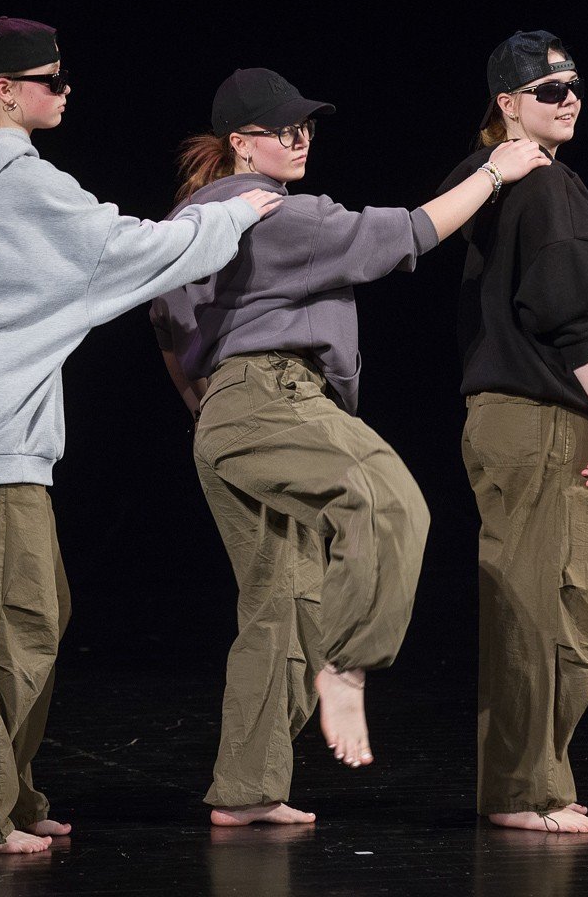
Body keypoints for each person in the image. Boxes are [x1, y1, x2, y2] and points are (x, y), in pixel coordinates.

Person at [0, 18, 281, 854]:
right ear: (5, 92)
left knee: (32, 616)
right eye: (52, 80)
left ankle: (8, 795)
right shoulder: (17, 178)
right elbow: (127, 251)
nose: (66, 91)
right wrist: (233, 216)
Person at [151, 67, 550, 827]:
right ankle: (348, 665)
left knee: (280, 603)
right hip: (276, 394)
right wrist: (495, 173)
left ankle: (247, 787)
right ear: (241, 145)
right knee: (390, 502)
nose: (301, 139)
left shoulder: (192, 219)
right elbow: (407, 234)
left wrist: (207, 409)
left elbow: (168, 327)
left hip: (227, 417)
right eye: (283, 130)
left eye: (306, 127)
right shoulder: (273, 211)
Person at [440, 30, 588, 834]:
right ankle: (522, 789)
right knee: (543, 613)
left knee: (563, 610)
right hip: (537, 421)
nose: (569, 98)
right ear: (508, 104)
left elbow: (558, 316)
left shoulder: (497, 182)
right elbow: (559, 313)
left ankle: (535, 779)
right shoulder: (542, 186)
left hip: (528, 414)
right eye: (549, 90)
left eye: (573, 85)